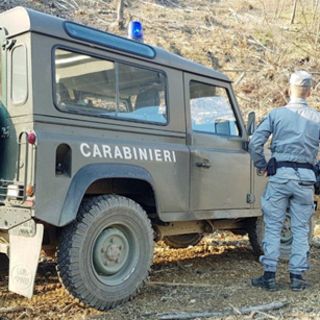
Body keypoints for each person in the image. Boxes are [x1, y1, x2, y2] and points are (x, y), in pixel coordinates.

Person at [248, 71, 320, 292]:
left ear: (288, 91)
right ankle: (297, 278)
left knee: (273, 225)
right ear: (309, 92)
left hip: (279, 177)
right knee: (300, 228)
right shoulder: (317, 118)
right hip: (305, 180)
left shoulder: (276, 114)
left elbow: (254, 144)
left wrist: (262, 165)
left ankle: (269, 276)